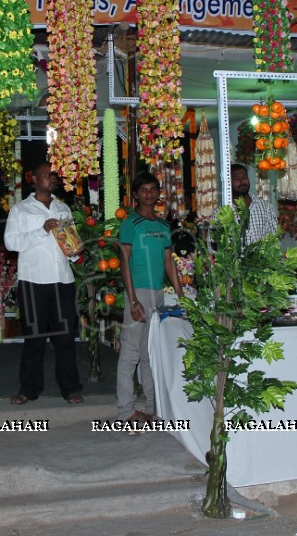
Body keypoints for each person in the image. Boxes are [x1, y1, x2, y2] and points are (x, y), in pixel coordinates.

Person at [5, 161, 83, 405]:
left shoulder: (63, 208)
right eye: (47, 175)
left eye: (54, 175)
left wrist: (76, 251)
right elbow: (11, 243)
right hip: (33, 282)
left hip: (62, 280)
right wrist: (41, 230)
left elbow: (72, 247)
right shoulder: (20, 209)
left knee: (65, 339)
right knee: (34, 339)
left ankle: (70, 389)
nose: (53, 179)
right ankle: (28, 389)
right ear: (35, 179)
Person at [116, 172, 182, 423]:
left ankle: (153, 407)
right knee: (131, 354)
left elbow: (168, 264)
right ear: (135, 194)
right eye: (143, 190)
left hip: (158, 295)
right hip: (138, 293)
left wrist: (180, 295)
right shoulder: (130, 224)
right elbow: (124, 263)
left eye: (153, 189)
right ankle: (125, 410)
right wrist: (133, 301)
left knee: (150, 354)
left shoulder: (163, 226)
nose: (149, 194)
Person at [230, 163, 278, 244]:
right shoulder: (220, 211)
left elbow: (274, 238)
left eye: (245, 177)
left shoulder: (265, 207)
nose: (242, 182)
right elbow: (213, 246)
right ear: (228, 182)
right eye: (236, 179)